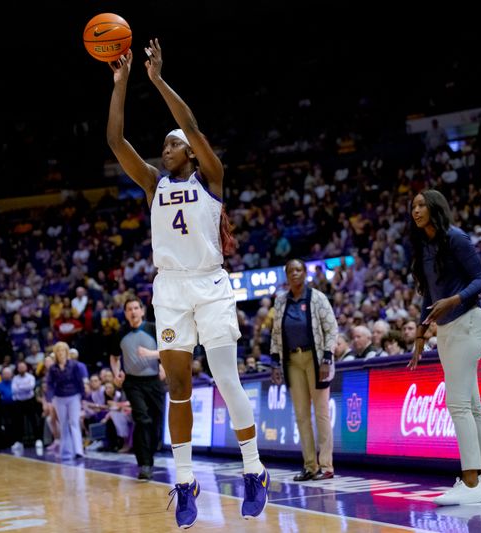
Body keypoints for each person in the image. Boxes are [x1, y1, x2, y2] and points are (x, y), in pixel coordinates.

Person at [106, 40, 268, 528]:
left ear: (192, 153)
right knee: (177, 384)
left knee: (225, 378)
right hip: (171, 288)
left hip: (211, 284)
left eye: (174, 144)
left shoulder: (210, 178)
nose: (167, 148)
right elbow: (116, 143)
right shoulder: (155, 184)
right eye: (165, 145)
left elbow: (192, 127)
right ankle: (184, 480)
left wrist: (155, 80)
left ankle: (254, 470)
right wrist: (120, 85)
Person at [407, 189, 481, 505]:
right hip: (445, 329)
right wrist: (420, 335)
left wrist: (454, 299)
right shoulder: (424, 246)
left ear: (435, 208)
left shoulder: (456, 238)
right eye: (413, 206)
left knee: (458, 404)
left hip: (470, 322)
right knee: (471, 406)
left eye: (421, 205)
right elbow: (427, 295)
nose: (416, 210)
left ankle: (470, 482)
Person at [270, 259, 338, 482]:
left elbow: (332, 329)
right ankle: (310, 466)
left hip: (316, 359)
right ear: (287, 276)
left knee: (321, 413)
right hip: (292, 361)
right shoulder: (280, 302)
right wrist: (275, 363)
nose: (295, 274)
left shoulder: (317, 297)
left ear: (305, 273)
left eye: (299, 270)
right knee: (301, 416)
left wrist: (328, 356)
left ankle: (326, 466)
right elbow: (276, 334)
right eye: (291, 271)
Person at [110, 296, 165, 481]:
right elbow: (114, 357)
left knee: (156, 423)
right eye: (129, 309)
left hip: (154, 381)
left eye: (136, 308)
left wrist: (155, 358)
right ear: (125, 313)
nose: (133, 312)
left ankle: (149, 457)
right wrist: (116, 373)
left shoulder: (153, 328)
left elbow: (168, 350)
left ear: (142, 310)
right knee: (143, 420)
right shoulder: (120, 333)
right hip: (133, 382)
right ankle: (145, 464)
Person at [46, 341, 88, 461]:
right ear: (56, 353)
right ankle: (66, 451)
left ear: (66, 352)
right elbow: (50, 384)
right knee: (63, 424)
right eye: (58, 351)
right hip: (59, 398)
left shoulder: (74, 365)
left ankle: (78, 451)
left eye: (63, 350)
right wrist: (49, 399)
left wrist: (83, 396)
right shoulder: (53, 368)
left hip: (73, 396)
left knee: (74, 422)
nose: (61, 353)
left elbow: (80, 381)